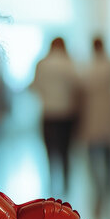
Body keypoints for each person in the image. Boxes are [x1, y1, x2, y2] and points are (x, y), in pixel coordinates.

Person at [31, 37, 81, 196]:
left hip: (49, 113)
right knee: (66, 150)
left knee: (49, 150)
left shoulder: (42, 64)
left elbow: (35, 86)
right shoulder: (70, 64)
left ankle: (51, 182)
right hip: (67, 113)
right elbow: (77, 86)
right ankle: (67, 185)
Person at [80, 37, 110, 213]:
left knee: (96, 150)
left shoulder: (91, 67)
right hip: (105, 108)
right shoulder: (109, 64)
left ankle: (103, 187)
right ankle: (107, 186)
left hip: (96, 110)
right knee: (106, 149)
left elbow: (85, 85)